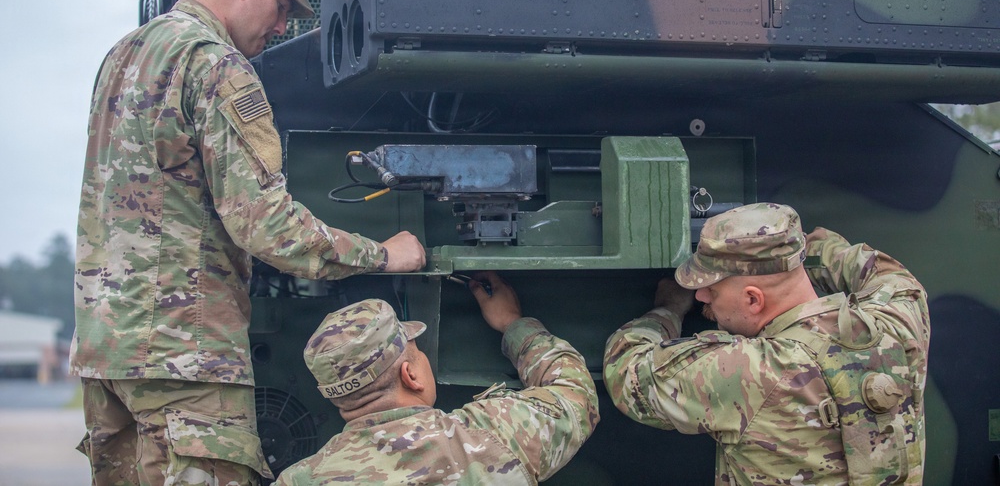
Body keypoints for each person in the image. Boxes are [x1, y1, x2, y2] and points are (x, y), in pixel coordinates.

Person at [70, 0, 425, 486]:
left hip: (107, 353)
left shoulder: (124, 54)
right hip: (188, 362)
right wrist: (384, 254)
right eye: (282, 4)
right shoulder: (215, 65)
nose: (282, 26)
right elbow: (266, 225)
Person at [603, 202, 930, 485]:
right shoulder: (899, 321)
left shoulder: (754, 370)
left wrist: (669, 309)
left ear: (753, 300)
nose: (701, 295)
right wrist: (791, 251)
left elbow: (627, 369)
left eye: (711, 288)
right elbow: (884, 274)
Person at [275, 271, 600, 485]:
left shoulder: (298, 480)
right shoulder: (490, 434)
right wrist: (513, 325)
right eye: (416, 350)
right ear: (411, 374)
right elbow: (576, 396)